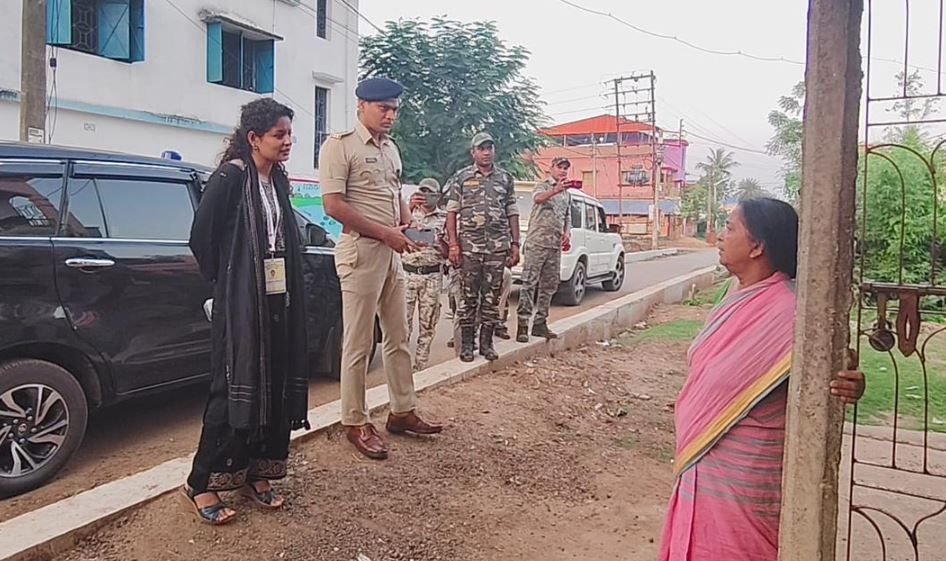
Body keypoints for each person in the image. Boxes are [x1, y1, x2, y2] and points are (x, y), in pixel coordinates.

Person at [658, 197, 866, 561]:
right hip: (704, 460)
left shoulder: (792, 310)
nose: (719, 236)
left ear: (757, 246)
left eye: (730, 228)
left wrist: (850, 379)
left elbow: (829, 364)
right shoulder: (731, 294)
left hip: (750, 473)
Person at [183, 98, 310, 525]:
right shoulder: (230, 178)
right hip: (241, 304)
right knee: (231, 389)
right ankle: (201, 482)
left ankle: (259, 469)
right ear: (253, 138)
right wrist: (231, 282)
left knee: (273, 385)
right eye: (280, 135)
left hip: (278, 299)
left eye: (290, 133)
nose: (288, 141)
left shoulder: (278, 180)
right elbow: (201, 238)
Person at [320, 77, 442, 461]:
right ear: (362, 106)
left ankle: (402, 410)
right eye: (383, 108)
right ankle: (354, 421)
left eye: (394, 109)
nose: (390, 115)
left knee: (398, 335)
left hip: (391, 253)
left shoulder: (391, 148)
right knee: (358, 342)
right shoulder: (339, 146)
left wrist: (408, 225)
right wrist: (385, 234)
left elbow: (394, 193)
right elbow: (333, 206)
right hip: (361, 251)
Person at [445, 132, 521, 362]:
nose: (486, 152)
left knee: (491, 297)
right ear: (473, 152)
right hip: (470, 247)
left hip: (497, 248)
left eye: (489, 147)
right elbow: (451, 212)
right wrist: (454, 245)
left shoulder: (505, 178)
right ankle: (467, 345)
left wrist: (516, 244)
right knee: (468, 297)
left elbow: (512, 212)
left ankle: (486, 344)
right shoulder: (461, 177)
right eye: (481, 148)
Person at [516, 157, 573, 342]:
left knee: (549, 285)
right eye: (560, 167)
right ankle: (522, 325)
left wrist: (567, 233)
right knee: (529, 283)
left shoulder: (567, 194)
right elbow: (538, 199)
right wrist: (555, 189)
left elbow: (566, 216)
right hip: (537, 243)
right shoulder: (543, 186)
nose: (563, 171)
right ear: (552, 168)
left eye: (566, 168)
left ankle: (540, 323)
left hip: (554, 245)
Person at [404, 178, 448, 371]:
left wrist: (440, 240)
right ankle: (401, 366)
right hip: (407, 274)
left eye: (429, 192)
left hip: (431, 276)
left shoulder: (445, 218)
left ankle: (420, 365)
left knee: (428, 322)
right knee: (401, 324)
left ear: (437, 196)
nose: (424, 196)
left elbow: (450, 252)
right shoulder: (408, 213)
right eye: (422, 191)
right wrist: (408, 208)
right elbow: (392, 230)